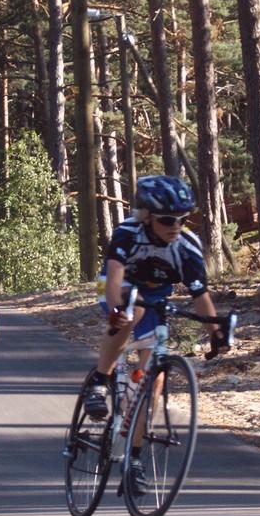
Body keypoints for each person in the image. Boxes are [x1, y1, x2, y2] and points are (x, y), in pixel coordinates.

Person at [82, 174, 231, 492]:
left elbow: (200, 296)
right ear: (147, 217)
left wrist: (215, 333)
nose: (175, 225)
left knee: (155, 379)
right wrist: (113, 312)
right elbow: (113, 276)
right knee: (131, 311)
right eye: (167, 220)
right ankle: (99, 379)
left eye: (182, 219)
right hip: (117, 286)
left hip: (156, 295)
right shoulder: (128, 232)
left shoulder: (186, 246)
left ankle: (133, 460)